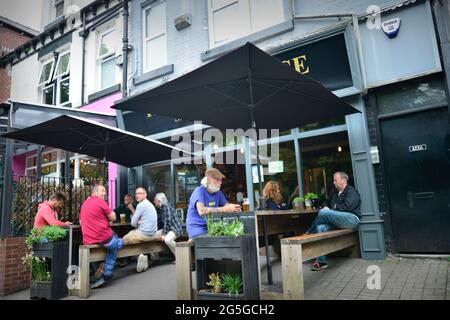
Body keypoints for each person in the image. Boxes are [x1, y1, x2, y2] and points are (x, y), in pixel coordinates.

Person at [305, 172, 361, 271]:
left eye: (335, 180)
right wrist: (326, 206)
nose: (333, 182)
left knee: (323, 213)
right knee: (320, 228)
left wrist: (330, 210)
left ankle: (308, 233)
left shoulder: (351, 192)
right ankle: (321, 261)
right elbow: (325, 202)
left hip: (351, 220)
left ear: (343, 180)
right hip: (337, 223)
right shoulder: (335, 194)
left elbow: (347, 207)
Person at [80, 185, 123, 289]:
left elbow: (81, 221)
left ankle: (99, 271)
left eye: (105, 191)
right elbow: (113, 216)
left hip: (88, 239)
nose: (105, 193)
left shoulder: (84, 203)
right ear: (95, 192)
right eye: (103, 191)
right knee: (117, 242)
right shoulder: (100, 201)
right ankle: (106, 273)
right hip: (102, 237)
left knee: (109, 242)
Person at [186, 168, 241, 239]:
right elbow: (201, 211)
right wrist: (223, 209)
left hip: (212, 229)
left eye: (221, 180)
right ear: (208, 179)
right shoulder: (199, 191)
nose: (220, 182)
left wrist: (234, 209)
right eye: (217, 180)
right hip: (197, 231)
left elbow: (227, 207)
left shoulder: (218, 192)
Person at [153, 192, 182, 258]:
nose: (154, 201)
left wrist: (164, 234)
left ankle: (180, 256)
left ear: (159, 200)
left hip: (175, 229)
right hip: (168, 229)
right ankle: (155, 256)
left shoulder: (166, 206)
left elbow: (167, 221)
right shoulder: (161, 208)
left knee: (167, 240)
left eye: (155, 200)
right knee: (153, 235)